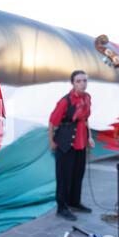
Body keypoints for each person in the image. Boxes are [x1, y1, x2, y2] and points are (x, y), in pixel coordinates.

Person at [48, 70, 95, 221]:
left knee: (77, 175)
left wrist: (90, 137)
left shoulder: (87, 98)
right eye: (79, 81)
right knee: (64, 177)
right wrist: (51, 142)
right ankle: (62, 207)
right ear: (73, 83)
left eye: (85, 80)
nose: (82, 84)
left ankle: (74, 202)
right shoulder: (65, 101)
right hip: (65, 143)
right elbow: (52, 122)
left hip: (81, 142)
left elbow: (86, 119)